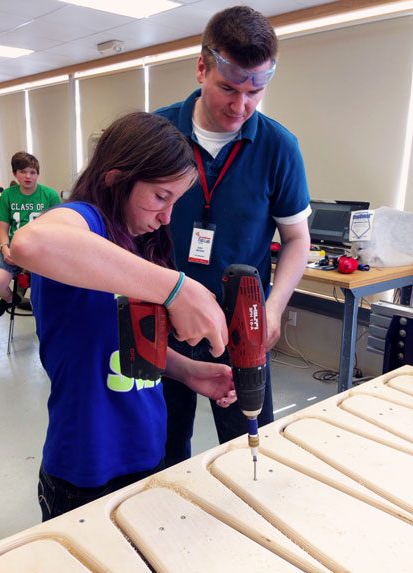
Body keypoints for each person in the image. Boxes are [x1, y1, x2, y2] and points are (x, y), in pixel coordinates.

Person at [11, 112, 236, 521]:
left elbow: (120, 344)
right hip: (86, 467)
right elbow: (31, 242)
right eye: (160, 197)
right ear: (116, 179)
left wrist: (186, 370)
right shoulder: (85, 222)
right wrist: (177, 288)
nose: (167, 217)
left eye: (176, 201)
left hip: (148, 450)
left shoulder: (132, 243)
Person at [156, 6, 311, 466]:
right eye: (228, 88)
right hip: (165, 314)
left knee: (250, 442)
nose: (240, 107)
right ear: (202, 67)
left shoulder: (279, 147)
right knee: (164, 446)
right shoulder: (156, 134)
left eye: (254, 92)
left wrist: (275, 305)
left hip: (243, 321)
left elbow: (297, 239)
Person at [0, 152, 60, 319]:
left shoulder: (50, 195)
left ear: (37, 174)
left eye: (32, 172)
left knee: (53, 287)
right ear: (15, 173)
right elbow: (3, 229)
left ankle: (43, 308)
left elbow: (58, 230)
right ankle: (14, 299)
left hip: (41, 250)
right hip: (13, 248)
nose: (28, 176)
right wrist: (5, 248)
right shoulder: (8, 195)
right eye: (23, 171)